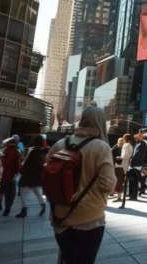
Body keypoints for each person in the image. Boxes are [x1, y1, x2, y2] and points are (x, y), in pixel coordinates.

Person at [48, 107, 117, 264]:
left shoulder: (60, 143)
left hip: (60, 217)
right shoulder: (101, 147)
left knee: (68, 258)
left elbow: (47, 176)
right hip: (90, 219)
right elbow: (109, 185)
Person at [17, 135, 47, 218]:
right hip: (38, 175)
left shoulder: (31, 150)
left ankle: (24, 210)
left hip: (29, 174)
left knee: (22, 192)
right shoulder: (44, 151)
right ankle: (43, 205)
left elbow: (25, 162)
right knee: (36, 190)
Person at [0, 137, 22, 216]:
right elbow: (17, 165)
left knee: (3, 189)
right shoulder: (17, 152)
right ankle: (7, 208)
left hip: (5, 174)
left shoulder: (5, 151)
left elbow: (3, 162)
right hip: (13, 175)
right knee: (11, 193)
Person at [129, 133, 147, 199]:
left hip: (137, 165)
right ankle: (136, 193)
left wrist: (132, 162)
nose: (135, 139)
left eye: (136, 138)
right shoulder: (140, 144)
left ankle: (135, 194)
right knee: (136, 179)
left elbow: (138, 155)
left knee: (136, 179)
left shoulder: (141, 145)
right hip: (138, 164)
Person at [114, 135, 133, 201]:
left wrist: (117, 157)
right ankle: (119, 196)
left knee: (119, 181)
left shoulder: (125, 145)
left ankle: (119, 197)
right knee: (121, 181)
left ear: (125, 138)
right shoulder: (130, 145)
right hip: (125, 165)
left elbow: (123, 156)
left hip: (120, 165)